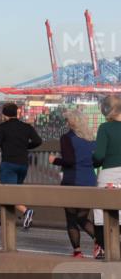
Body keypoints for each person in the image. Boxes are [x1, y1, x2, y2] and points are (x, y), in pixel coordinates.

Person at [50, 109, 100, 258]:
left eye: (66, 120)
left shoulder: (67, 138)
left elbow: (69, 161)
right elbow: (97, 161)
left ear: (71, 123)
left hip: (72, 181)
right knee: (83, 217)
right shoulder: (91, 139)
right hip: (90, 181)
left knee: (72, 219)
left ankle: (78, 252)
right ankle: (101, 242)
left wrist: (55, 160)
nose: (65, 123)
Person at [0, 102, 43, 229]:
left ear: (4, 114)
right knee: (15, 193)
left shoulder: (3, 127)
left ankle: (26, 212)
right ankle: (8, 222)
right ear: (16, 113)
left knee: (9, 194)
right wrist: (25, 146)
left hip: (8, 164)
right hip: (23, 165)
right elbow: (38, 141)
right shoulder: (26, 127)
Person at [93, 94, 121, 259]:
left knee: (100, 211)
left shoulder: (105, 128)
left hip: (109, 173)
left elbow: (99, 156)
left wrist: (93, 162)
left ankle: (102, 248)